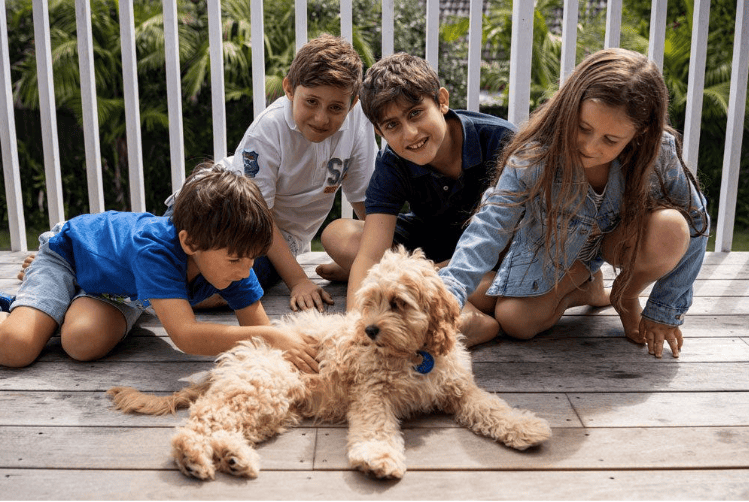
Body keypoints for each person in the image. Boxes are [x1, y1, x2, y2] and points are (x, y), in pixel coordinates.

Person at [438, 48, 710, 358]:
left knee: (673, 227)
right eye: (583, 128)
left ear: (639, 132)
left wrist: (665, 310)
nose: (592, 147)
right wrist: (451, 293)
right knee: (515, 320)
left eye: (611, 140)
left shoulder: (657, 152)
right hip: (552, 251)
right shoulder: (536, 155)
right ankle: (587, 289)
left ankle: (625, 292)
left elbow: (697, 222)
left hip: (621, 242)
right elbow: (491, 224)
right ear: (569, 108)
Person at [0, 164, 318, 372]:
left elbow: (255, 327)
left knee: (81, 344)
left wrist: (283, 349)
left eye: (253, 259)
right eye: (237, 260)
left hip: (122, 289)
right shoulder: (155, 251)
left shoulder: (232, 260)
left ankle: (51, 305)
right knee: (17, 347)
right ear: (190, 243)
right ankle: (37, 299)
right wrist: (273, 337)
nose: (245, 270)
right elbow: (186, 336)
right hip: (71, 256)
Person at [315, 53, 515, 342]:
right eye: (392, 125)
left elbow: (515, 237)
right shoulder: (392, 162)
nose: (410, 134)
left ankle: (464, 315)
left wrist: (430, 271)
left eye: (415, 113)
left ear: (442, 101)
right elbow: (371, 252)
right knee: (337, 234)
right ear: (379, 130)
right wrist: (357, 329)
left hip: (488, 258)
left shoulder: (501, 142)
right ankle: (440, 306)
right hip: (428, 245)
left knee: (501, 291)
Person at [183, 33, 375, 313]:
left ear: (353, 102)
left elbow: (363, 200)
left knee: (233, 288)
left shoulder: (359, 123)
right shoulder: (268, 130)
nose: (322, 118)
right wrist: (298, 280)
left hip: (278, 238)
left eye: (336, 107)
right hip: (224, 209)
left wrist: (365, 261)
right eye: (311, 102)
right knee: (183, 276)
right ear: (289, 89)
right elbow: (256, 213)